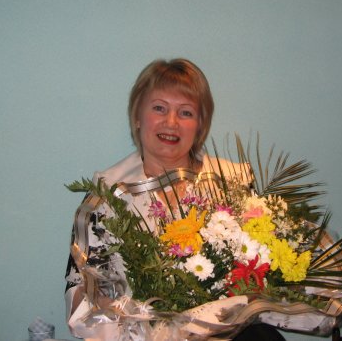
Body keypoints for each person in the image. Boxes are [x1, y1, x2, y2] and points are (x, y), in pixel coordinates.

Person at [65, 58, 285, 340]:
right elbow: (83, 294)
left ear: (200, 125)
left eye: (185, 112)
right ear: (137, 116)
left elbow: (261, 274)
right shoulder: (106, 195)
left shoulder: (233, 183)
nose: (171, 122)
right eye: (159, 108)